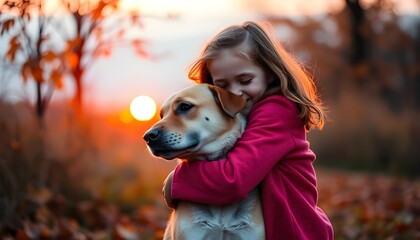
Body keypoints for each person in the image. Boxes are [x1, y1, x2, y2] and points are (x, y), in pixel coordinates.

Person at [163, 21, 334, 239]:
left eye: (245, 80)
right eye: (223, 86)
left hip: (295, 231)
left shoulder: (278, 111)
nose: (236, 92)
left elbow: (234, 179)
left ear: (270, 72)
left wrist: (177, 181)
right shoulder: (237, 115)